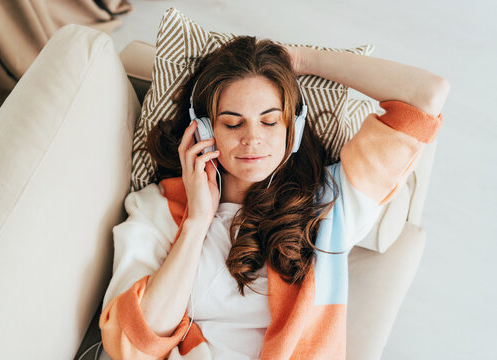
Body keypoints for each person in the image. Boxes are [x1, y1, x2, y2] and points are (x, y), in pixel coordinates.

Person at [97, 36, 449, 360]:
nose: (252, 139)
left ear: (291, 128)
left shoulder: (331, 206)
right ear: (204, 130)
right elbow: (132, 343)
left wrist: (298, 59)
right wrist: (195, 224)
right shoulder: (159, 208)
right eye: (233, 123)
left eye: (270, 121)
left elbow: (427, 95)